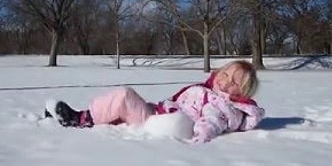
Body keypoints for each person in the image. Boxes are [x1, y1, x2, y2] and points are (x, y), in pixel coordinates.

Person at [44, 60, 265, 144]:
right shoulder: (208, 91)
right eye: (226, 75)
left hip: (158, 121)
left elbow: (211, 122)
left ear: (241, 93)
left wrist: (201, 137)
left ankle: (80, 119)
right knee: (121, 107)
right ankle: (66, 115)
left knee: (124, 96)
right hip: (157, 112)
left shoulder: (220, 106)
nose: (226, 82)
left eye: (234, 82)